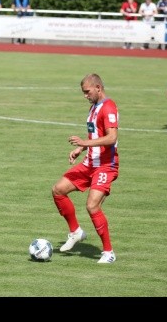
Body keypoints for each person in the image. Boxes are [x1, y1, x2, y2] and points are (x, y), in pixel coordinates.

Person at [51, 73, 119, 264]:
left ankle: (108, 252)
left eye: (87, 92)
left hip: (105, 166)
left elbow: (112, 137)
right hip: (90, 163)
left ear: (98, 87)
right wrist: (80, 148)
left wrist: (84, 143)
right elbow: (94, 134)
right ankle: (76, 232)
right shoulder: (93, 108)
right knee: (58, 190)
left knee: (92, 205)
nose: (85, 96)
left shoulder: (109, 107)